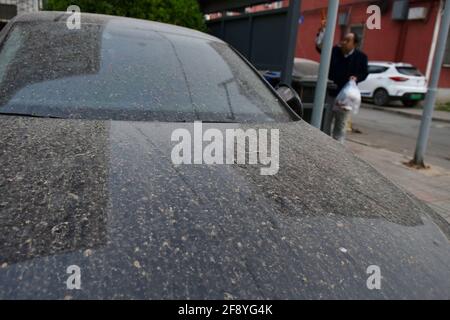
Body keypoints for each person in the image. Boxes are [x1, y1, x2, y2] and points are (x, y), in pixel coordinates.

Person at [316, 27, 369, 143]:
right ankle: (323, 145)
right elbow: (320, 48)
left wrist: (356, 78)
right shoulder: (334, 51)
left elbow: (364, 73)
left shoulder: (361, 57)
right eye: (343, 39)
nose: (343, 42)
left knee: (341, 124)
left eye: (347, 40)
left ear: (354, 44)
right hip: (330, 93)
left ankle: (338, 148)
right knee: (325, 122)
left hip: (346, 98)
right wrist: (321, 33)